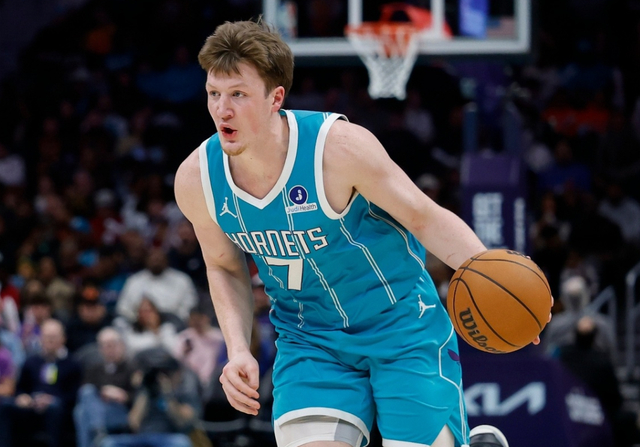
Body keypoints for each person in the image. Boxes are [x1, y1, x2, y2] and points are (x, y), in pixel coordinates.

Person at [173, 19, 547, 447]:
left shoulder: (338, 149)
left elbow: (424, 217)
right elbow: (224, 266)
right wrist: (239, 348)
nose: (222, 109)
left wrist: (499, 284)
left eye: (238, 94)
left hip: (401, 324)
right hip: (309, 337)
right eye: (214, 94)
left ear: (275, 97)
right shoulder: (197, 179)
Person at [74, 327, 135, 447]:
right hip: (99, 408)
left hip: (121, 411)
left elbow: (139, 395)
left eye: (113, 345)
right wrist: (104, 392)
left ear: (121, 345)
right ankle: (99, 430)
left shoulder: (131, 368)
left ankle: (97, 432)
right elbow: (85, 393)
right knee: (83, 402)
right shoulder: (94, 369)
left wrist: (123, 395)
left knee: (81, 413)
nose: (110, 349)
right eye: (106, 346)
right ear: (100, 349)